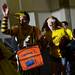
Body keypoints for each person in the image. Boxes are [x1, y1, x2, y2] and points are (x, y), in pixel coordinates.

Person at [0, 3, 41, 75]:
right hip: (22, 54)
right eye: (19, 19)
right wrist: (6, 16)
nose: (21, 21)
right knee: (24, 72)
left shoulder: (35, 29)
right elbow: (4, 31)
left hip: (33, 53)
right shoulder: (17, 29)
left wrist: (33, 44)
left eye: (23, 19)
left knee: (35, 72)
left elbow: (40, 42)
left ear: (28, 19)